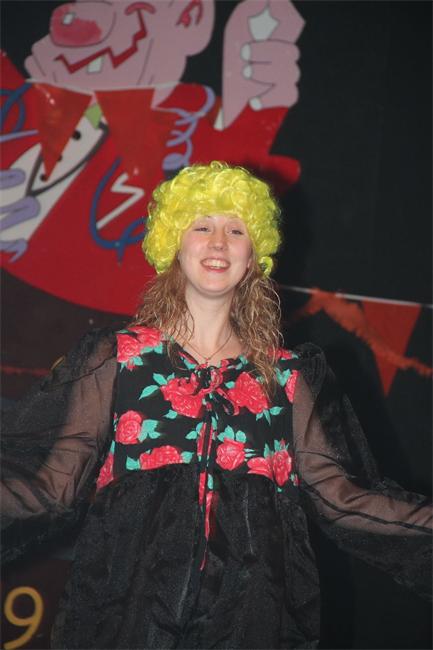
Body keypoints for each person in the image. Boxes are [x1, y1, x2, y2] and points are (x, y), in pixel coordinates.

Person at [1, 161, 431, 649]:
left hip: (248, 621)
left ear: (253, 256)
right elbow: (54, 488)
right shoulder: (120, 359)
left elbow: (342, 499)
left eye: (236, 230)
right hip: (127, 615)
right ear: (175, 244)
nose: (219, 242)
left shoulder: (286, 378)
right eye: (202, 226)